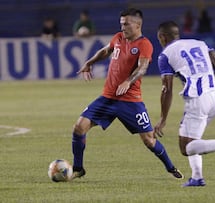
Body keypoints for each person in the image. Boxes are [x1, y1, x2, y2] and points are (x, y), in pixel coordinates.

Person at [71, 8, 183, 180]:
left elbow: (143, 67)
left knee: (149, 140)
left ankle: (170, 167)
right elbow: (105, 51)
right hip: (107, 98)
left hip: (131, 102)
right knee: (79, 127)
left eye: (126, 24)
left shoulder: (144, 44)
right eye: (121, 23)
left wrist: (128, 81)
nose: (122, 27)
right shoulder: (118, 37)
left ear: (138, 25)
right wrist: (89, 62)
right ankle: (78, 168)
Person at [154, 21, 215, 187]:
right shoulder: (200, 43)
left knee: (186, 147)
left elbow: (167, 89)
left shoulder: (165, 55)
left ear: (162, 37)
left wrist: (163, 119)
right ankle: (197, 177)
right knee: (192, 137)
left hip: (198, 99)